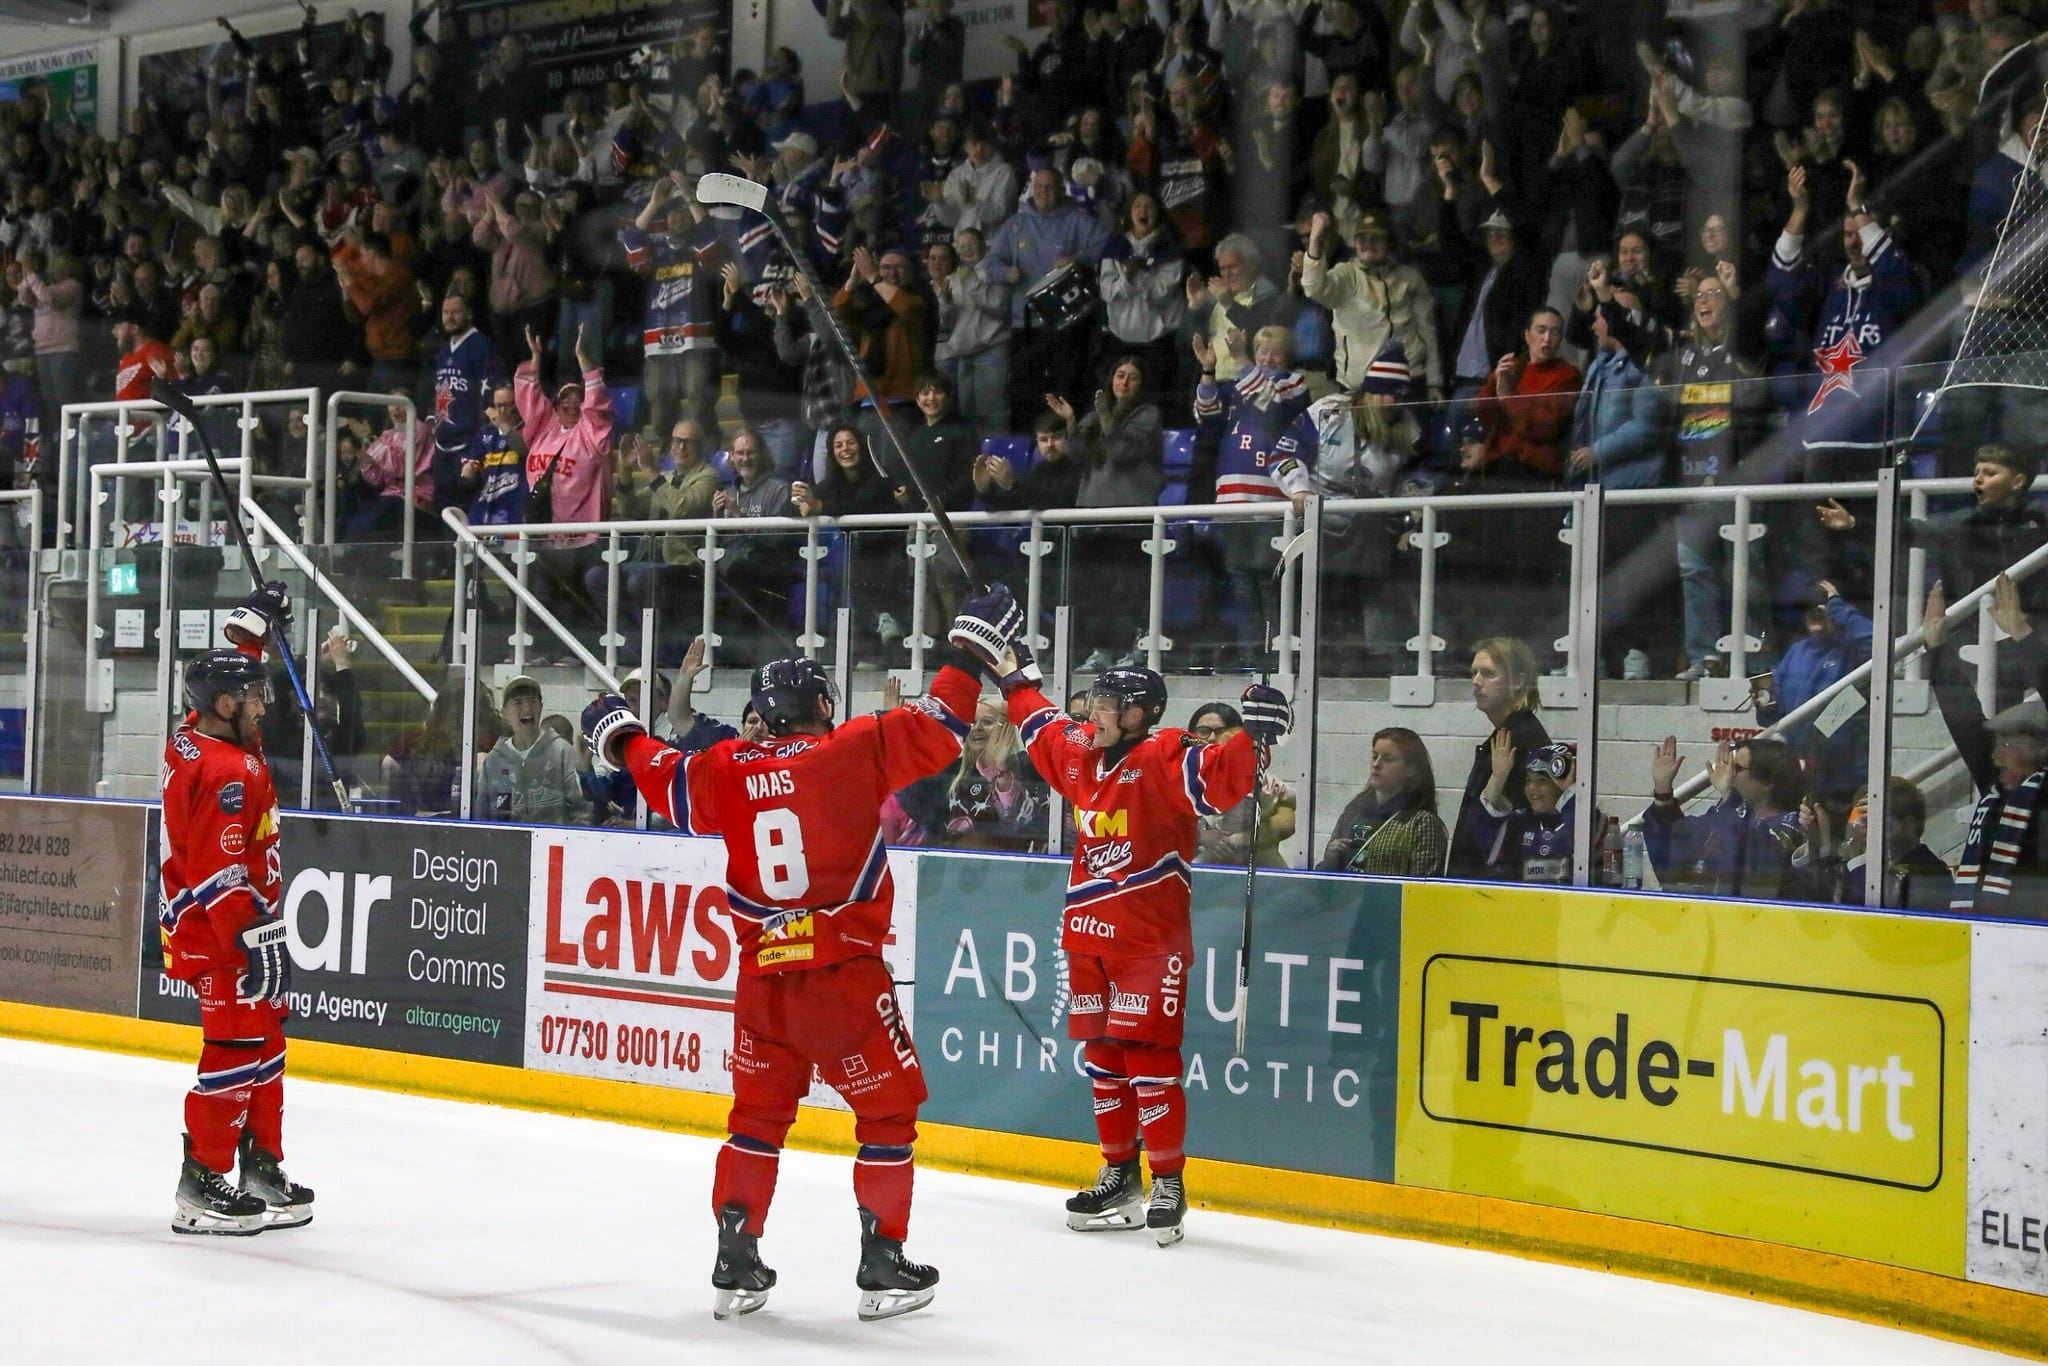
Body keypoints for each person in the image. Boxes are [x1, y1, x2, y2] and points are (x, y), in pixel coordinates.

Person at [580, 587, 1014, 1321]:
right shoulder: (851, 748)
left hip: (763, 984)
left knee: (755, 1120)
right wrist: (965, 651)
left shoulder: (726, 767)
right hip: (842, 978)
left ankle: (735, 1257)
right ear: (820, 706)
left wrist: (619, 734)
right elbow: (943, 727)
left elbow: (661, 772)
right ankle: (882, 1261)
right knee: (886, 1116)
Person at [990, 647, 1290, 1247]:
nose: (1094, 712)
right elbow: (1037, 721)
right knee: (1102, 1061)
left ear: (1140, 714)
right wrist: (1012, 674)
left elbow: (1218, 776)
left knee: (1149, 1063)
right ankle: (1119, 1171)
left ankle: (1169, 1181)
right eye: (1095, 702)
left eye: (1108, 705)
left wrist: (1254, 737)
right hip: (1087, 937)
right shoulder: (1080, 756)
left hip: (1149, 943)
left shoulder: (1163, 754)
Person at [158, 634, 313, 1236]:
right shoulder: (223, 770)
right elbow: (216, 868)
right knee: (234, 1050)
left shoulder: (199, 733)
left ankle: (259, 1165)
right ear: (223, 705)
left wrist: (253, 630)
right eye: (251, 696)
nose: (262, 704)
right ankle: (201, 1179)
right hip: (222, 931)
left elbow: (213, 689)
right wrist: (249, 938)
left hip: (243, 923)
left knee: (267, 1047)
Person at [1643, 735, 1806, 900]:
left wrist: (1730, 796)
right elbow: (1676, 843)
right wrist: (1663, 790)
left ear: (1768, 782)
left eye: (1737, 768)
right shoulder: (1726, 814)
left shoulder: (1795, 826)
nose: (1728, 774)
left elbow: (1763, 858)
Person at [1446, 637, 1550, 881]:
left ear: (1518, 681)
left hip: (1496, 888)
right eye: (1474, 672)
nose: (1476, 681)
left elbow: (1508, 831)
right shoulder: (1509, 734)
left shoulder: (1520, 740)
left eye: (1488, 674)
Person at [1316, 726, 1448, 876]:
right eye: (1374, 756)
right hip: (1346, 899)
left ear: (1411, 769)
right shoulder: (1355, 809)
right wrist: (1330, 860)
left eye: (1388, 759)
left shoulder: (1422, 823)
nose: (1376, 764)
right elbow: (1323, 884)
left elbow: (1422, 890)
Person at [1464, 740, 1586, 885]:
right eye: (1528, 780)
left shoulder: (1589, 824)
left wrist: (1571, 792)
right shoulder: (1521, 822)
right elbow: (1482, 837)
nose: (1532, 787)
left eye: (1542, 780)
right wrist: (1498, 778)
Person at [1189, 703, 1296, 867]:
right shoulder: (1178, 778)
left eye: (1220, 732)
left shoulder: (1262, 781)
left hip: (1256, 865)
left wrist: (1239, 839)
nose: (1211, 738)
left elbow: (1287, 822)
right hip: (1200, 868)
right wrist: (1200, 836)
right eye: (1203, 731)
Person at [479, 675, 592, 825]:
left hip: (554, 846)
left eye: (532, 701)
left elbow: (583, 812)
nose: (527, 708)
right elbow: (482, 817)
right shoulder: (493, 761)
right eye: (518, 702)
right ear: (505, 713)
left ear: (541, 707)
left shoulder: (562, 752)